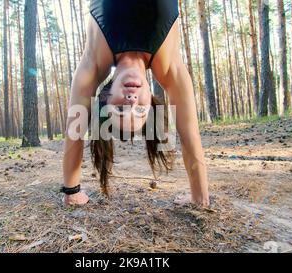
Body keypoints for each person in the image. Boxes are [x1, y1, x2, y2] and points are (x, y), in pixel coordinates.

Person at [61, 0, 209, 206]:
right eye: (140, 110)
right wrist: (199, 198)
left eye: (120, 108)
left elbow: (74, 132)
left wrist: (71, 191)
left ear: (105, 97)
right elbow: (190, 134)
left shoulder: (93, 64)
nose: (131, 101)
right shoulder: (169, 69)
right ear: (150, 103)